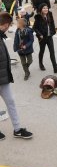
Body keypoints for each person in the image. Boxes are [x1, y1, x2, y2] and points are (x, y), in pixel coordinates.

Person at [0, 12, 33, 140]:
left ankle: (17, 129)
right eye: (9, 25)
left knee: (11, 102)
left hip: (4, 78)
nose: (9, 28)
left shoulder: (1, 35)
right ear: (5, 25)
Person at [33, 3, 57, 73]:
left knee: (52, 52)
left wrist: (53, 32)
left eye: (46, 8)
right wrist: (39, 34)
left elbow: (52, 24)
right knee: (42, 51)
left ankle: (55, 67)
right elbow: (34, 28)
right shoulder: (38, 17)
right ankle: (40, 63)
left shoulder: (50, 15)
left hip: (49, 36)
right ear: (41, 9)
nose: (46, 9)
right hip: (42, 38)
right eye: (44, 8)